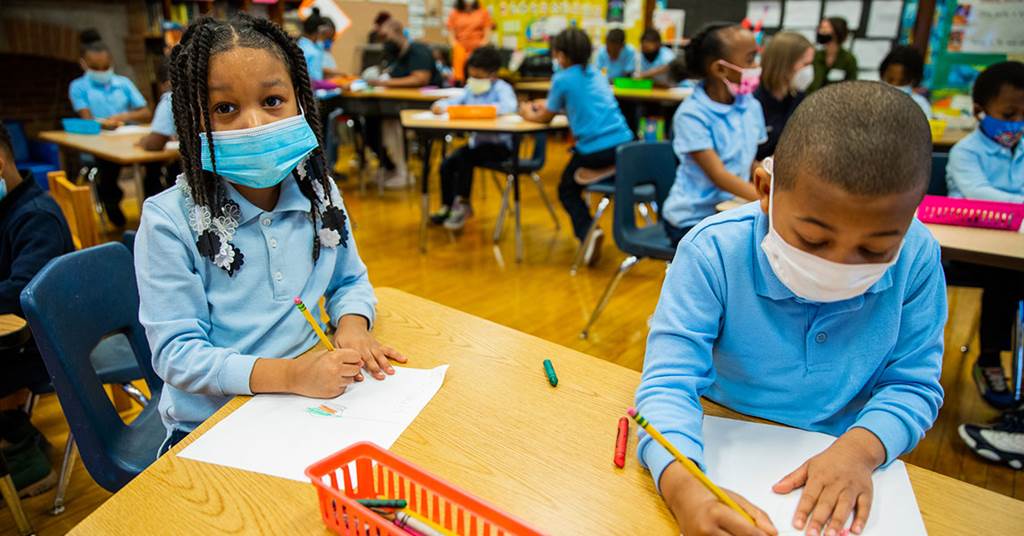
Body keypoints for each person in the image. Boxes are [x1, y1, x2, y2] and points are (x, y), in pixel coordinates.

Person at [637, 81, 944, 536]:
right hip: (724, 428)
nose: (836, 266)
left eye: (876, 248)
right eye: (813, 240)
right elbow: (668, 384)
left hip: (842, 444)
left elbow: (914, 385)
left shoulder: (917, 257)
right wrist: (685, 485)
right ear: (764, 188)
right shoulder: (713, 253)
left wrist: (860, 449)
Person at [140, 14, 406, 454]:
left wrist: (354, 326)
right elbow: (178, 356)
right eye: (225, 108)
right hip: (214, 424)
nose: (254, 123)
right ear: (191, 118)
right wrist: (290, 376)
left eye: (273, 100)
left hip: (311, 400)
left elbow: (349, 280)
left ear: (300, 100)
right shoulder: (168, 221)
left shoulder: (318, 191)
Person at [944, 61, 1024, 413]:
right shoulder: (965, 152)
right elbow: (979, 194)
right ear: (980, 111)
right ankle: (990, 358)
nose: (1016, 122)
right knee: (1006, 279)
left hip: (1013, 248)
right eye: (1008, 113)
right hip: (966, 254)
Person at [0, 122, 74, 496]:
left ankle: (24, 454)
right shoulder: (8, 207)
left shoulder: (34, 216)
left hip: (49, 342)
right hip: (23, 337)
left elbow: (18, 294)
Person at [519, 28, 633, 266]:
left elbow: (545, 118)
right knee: (580, 174)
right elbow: (576, 102)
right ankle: (608, 169)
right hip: (624, 144)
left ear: (560, 55)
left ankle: (588, 231)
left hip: (594, 150)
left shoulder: (561, 78)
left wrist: (527, 112)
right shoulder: (595, 73)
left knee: (566, 189)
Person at [661, 23, 765, 247]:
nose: (756, 66)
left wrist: (772, 183)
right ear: (720, 69)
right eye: (750, 60)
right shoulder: (692, 115)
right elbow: (719, 175)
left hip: (730, 209)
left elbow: (749, 162)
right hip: (692, 219)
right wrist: (769, 200)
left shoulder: (749, 105)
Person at [429, 46, 517, 231]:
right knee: (447, 163)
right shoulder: (471, 90)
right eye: (472, 76)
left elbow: (509, 106)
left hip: (500, 148)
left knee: (464, 159)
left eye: (479, 76)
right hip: (477, 146)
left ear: (492, 74)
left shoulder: (502, 89)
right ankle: (447, 205)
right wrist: (440, 105)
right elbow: (454, 103)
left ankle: (463, 204)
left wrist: (484, 110)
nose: (475, 80)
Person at [69, 34, 152, 226]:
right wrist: (104, 124)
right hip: (100, 143)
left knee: (155, 164)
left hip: (129, 139)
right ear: (83, 64)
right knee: (107, 170)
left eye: (105, 67)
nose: (101, 71)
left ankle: (151, 203)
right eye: (95, 68)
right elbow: (86, 118)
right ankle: (113, 208)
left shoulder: (123, 83)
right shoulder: (78, 87)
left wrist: (123, 117)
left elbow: (145, 111)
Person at [368, 19, 443, 190]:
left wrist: (384, 84)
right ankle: (390, 166)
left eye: (386, 36)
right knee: (371, 124)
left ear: (397, 32)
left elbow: (420, 78)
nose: (384, 41)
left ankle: (402, 171)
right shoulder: (395, 56)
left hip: (424, 106)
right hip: (395, 104)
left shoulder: (418, 50)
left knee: (391, 123)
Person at [754, 31, 814, 160]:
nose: (809, 71)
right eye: (805, 64)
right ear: (784, 64)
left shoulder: (799, 97)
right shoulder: (752, 100)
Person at [137, 60, 177, 197]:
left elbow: (154, 144)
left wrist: (144, 142)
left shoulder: (170, 99)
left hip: (186, 174)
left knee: (152, 170)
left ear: (165, 85)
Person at [446, 0, 492, 83]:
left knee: (478, 62)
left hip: (478, 48)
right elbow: (451, 36)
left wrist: (479, 48)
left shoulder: (483, 12)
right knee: (458, 54)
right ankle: (459, 82)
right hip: (460, 48)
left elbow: (487, 36)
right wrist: (457, 47)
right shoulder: (454, 13)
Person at [808, 17, 857, 93]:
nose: (820, 31)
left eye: (825, 28)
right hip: (811, 99)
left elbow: (852, 85)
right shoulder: (814, 56)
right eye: (820, 28)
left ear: (837, 32)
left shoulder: (849, 59)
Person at [880, 45, 931, 118]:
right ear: (882, 75)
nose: (894, 86)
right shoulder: (872, 101)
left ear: (914, 81)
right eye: (890, 80)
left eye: (902, 82)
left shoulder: (920, 106)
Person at [296, 8, 340, 81]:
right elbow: (315, 82)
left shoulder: (299, 45)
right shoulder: (313, 53)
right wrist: (337, 85)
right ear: (319, 31)